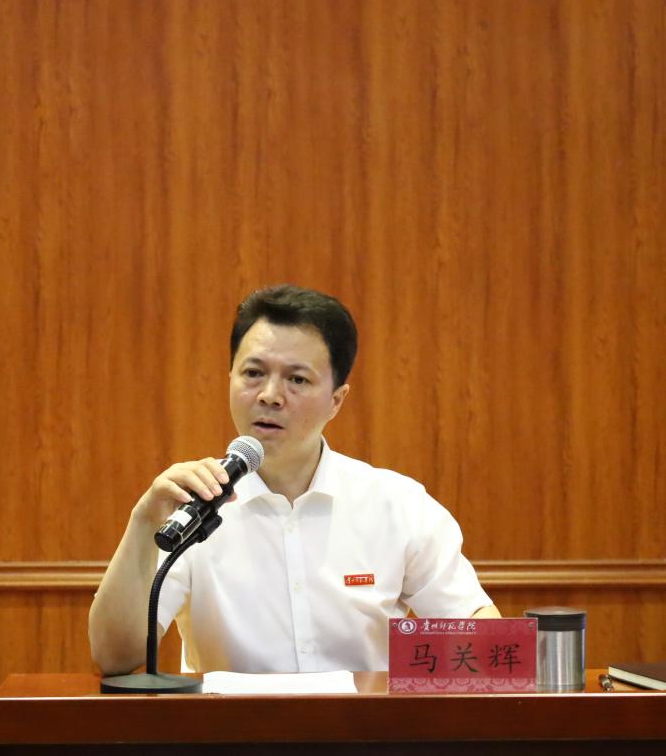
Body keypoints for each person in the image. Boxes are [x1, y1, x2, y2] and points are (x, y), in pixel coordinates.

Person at [89, 285, 499, 675]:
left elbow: (477, 629)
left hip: (362, 726)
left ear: (336, 400)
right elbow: (114, 657)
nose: (270, 395)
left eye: (297, 379)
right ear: (229, 379)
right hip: (230, 727)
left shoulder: (397, 504)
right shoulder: (189, 508)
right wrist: (144, 520)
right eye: (253, 373)